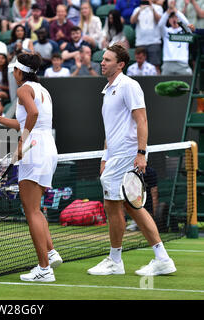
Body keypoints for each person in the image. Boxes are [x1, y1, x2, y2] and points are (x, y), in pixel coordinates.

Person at [87, 43, 176, 277]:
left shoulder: (129, 86)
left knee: (115, 206)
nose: (102, 62)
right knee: (132, 207)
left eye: (107, 60)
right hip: (115, 156)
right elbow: (111, 130)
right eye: (102, 59)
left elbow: (142, 120)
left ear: (120, 64)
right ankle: (161, 258)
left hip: (127, 155)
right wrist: (105, 157)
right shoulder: (108, 90)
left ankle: (116, 260)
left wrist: (141, 153)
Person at [0, 53, 62, 282]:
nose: (12, 73)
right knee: (35, 209)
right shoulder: (42, 90)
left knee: (31, 211)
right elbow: (23, 120)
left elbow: (33, 115)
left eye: (13, 70)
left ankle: (44, 269)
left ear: (20, 71)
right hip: (47, 147)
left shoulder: (22, 90)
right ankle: (50, 252)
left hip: (34, 148)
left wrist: (20, 141)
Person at [158, 1, 192, 76]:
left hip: (182, 63)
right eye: (171, 17)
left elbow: (187, 23)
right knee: (165, 85)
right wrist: (168, 11)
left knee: (188, 84)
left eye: (176, 17)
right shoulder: (166, 31)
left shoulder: (185, 30)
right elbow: (160, 25)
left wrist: (176, 11)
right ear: (168, 20)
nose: (174, 19)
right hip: (168, 62)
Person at [130, 0, 163, 75]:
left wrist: (152, 7)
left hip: (154, 41)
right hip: (140, 42)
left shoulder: (158, 8)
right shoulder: (137, 9)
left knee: (156, 67)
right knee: (140, 65)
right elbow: (132, 21)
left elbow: (160, 20)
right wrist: (139, 10)